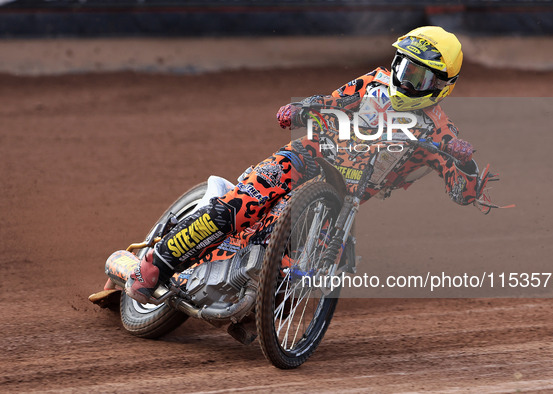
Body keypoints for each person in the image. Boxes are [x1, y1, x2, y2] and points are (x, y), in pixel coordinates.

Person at [126, 26, 485, 304]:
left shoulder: (443, 134)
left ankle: (257, 305)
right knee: (242, 206)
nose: (404, 79)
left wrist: (466, 166)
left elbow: (463, 194)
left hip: (342, 199)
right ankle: (157, 261)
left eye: (418, 77)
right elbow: (330, 100)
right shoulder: (374, 82)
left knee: (303, 269)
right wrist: (298, 110)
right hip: (308, 156)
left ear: (441, 86)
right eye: (403, 67)